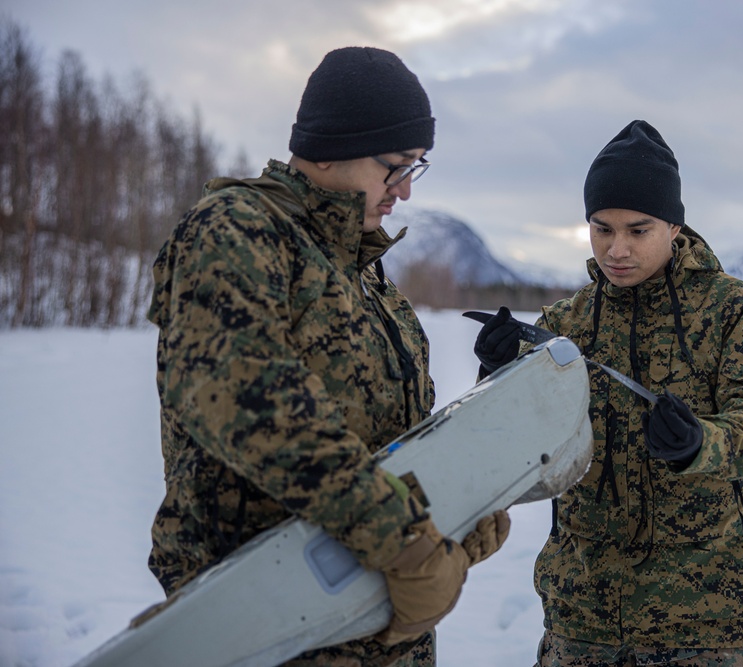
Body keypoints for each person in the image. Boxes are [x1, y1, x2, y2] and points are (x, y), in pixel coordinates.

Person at [147, 46, 509, 667]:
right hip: (271, 624)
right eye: (394, 166)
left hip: (377, 629)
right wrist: (408, 543)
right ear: (331, 147)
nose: (403, 192)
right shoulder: (237, 229)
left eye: (416, 169)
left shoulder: (361, 271)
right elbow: (252, 405)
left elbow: (389, 440)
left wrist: (454, 508)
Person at [473, 120, 743, 666]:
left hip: (705, 616)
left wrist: (703, 443)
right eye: (601, 229)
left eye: (637, 229)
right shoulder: (565, 321)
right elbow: (514, 444)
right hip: (582, 616)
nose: (616, 248)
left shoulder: (733, 312)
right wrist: (496, 372)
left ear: (674, 226)